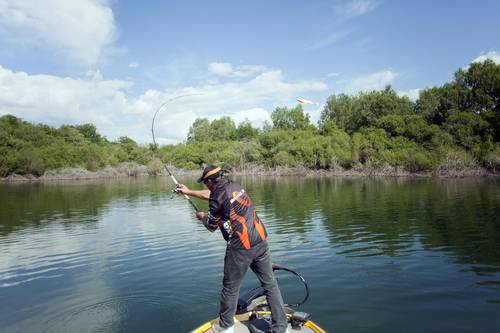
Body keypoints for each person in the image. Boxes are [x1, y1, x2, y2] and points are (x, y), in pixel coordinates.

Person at [175, 165, 288, 333]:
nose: (206, 187)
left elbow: (211, 225)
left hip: (241, 247)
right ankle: (281, 328)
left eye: (205, 183)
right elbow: (215, 197)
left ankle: (226, 326)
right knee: (270, 284)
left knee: (230, 287)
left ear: (210, 182)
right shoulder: (234, 185)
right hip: (260, 239)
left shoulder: (216, 197)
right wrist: (189, 192)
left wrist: (202, 217)